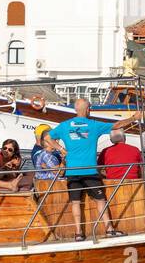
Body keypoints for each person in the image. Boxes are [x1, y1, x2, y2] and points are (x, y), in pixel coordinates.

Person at [46, 98, 128, 240]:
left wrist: (61, 149)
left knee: (75, 202)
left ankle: (79, 233)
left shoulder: (65, 126)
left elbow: (47, 137)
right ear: (88, 109)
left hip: (72, 171)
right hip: (90, 171)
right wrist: (134, 118)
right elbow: (117, 125)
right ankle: (109, 229)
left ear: (76, 109)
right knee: (100, 200)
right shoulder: (93, 125)